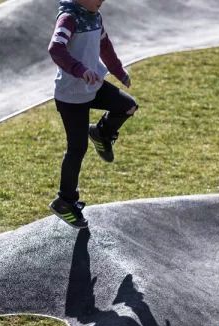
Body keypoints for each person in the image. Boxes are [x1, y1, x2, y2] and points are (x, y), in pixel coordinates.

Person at [47, 0, 138, 229]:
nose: (101, 0)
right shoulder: (69, 18)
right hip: (71, 96)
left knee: (128, 106)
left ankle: (101, 133)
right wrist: (80, 70)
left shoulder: (95, 16)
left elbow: (104, 45)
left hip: (93, 87)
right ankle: (65, 201)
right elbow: (56, 49)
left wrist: (118, 71)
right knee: (77, 149)